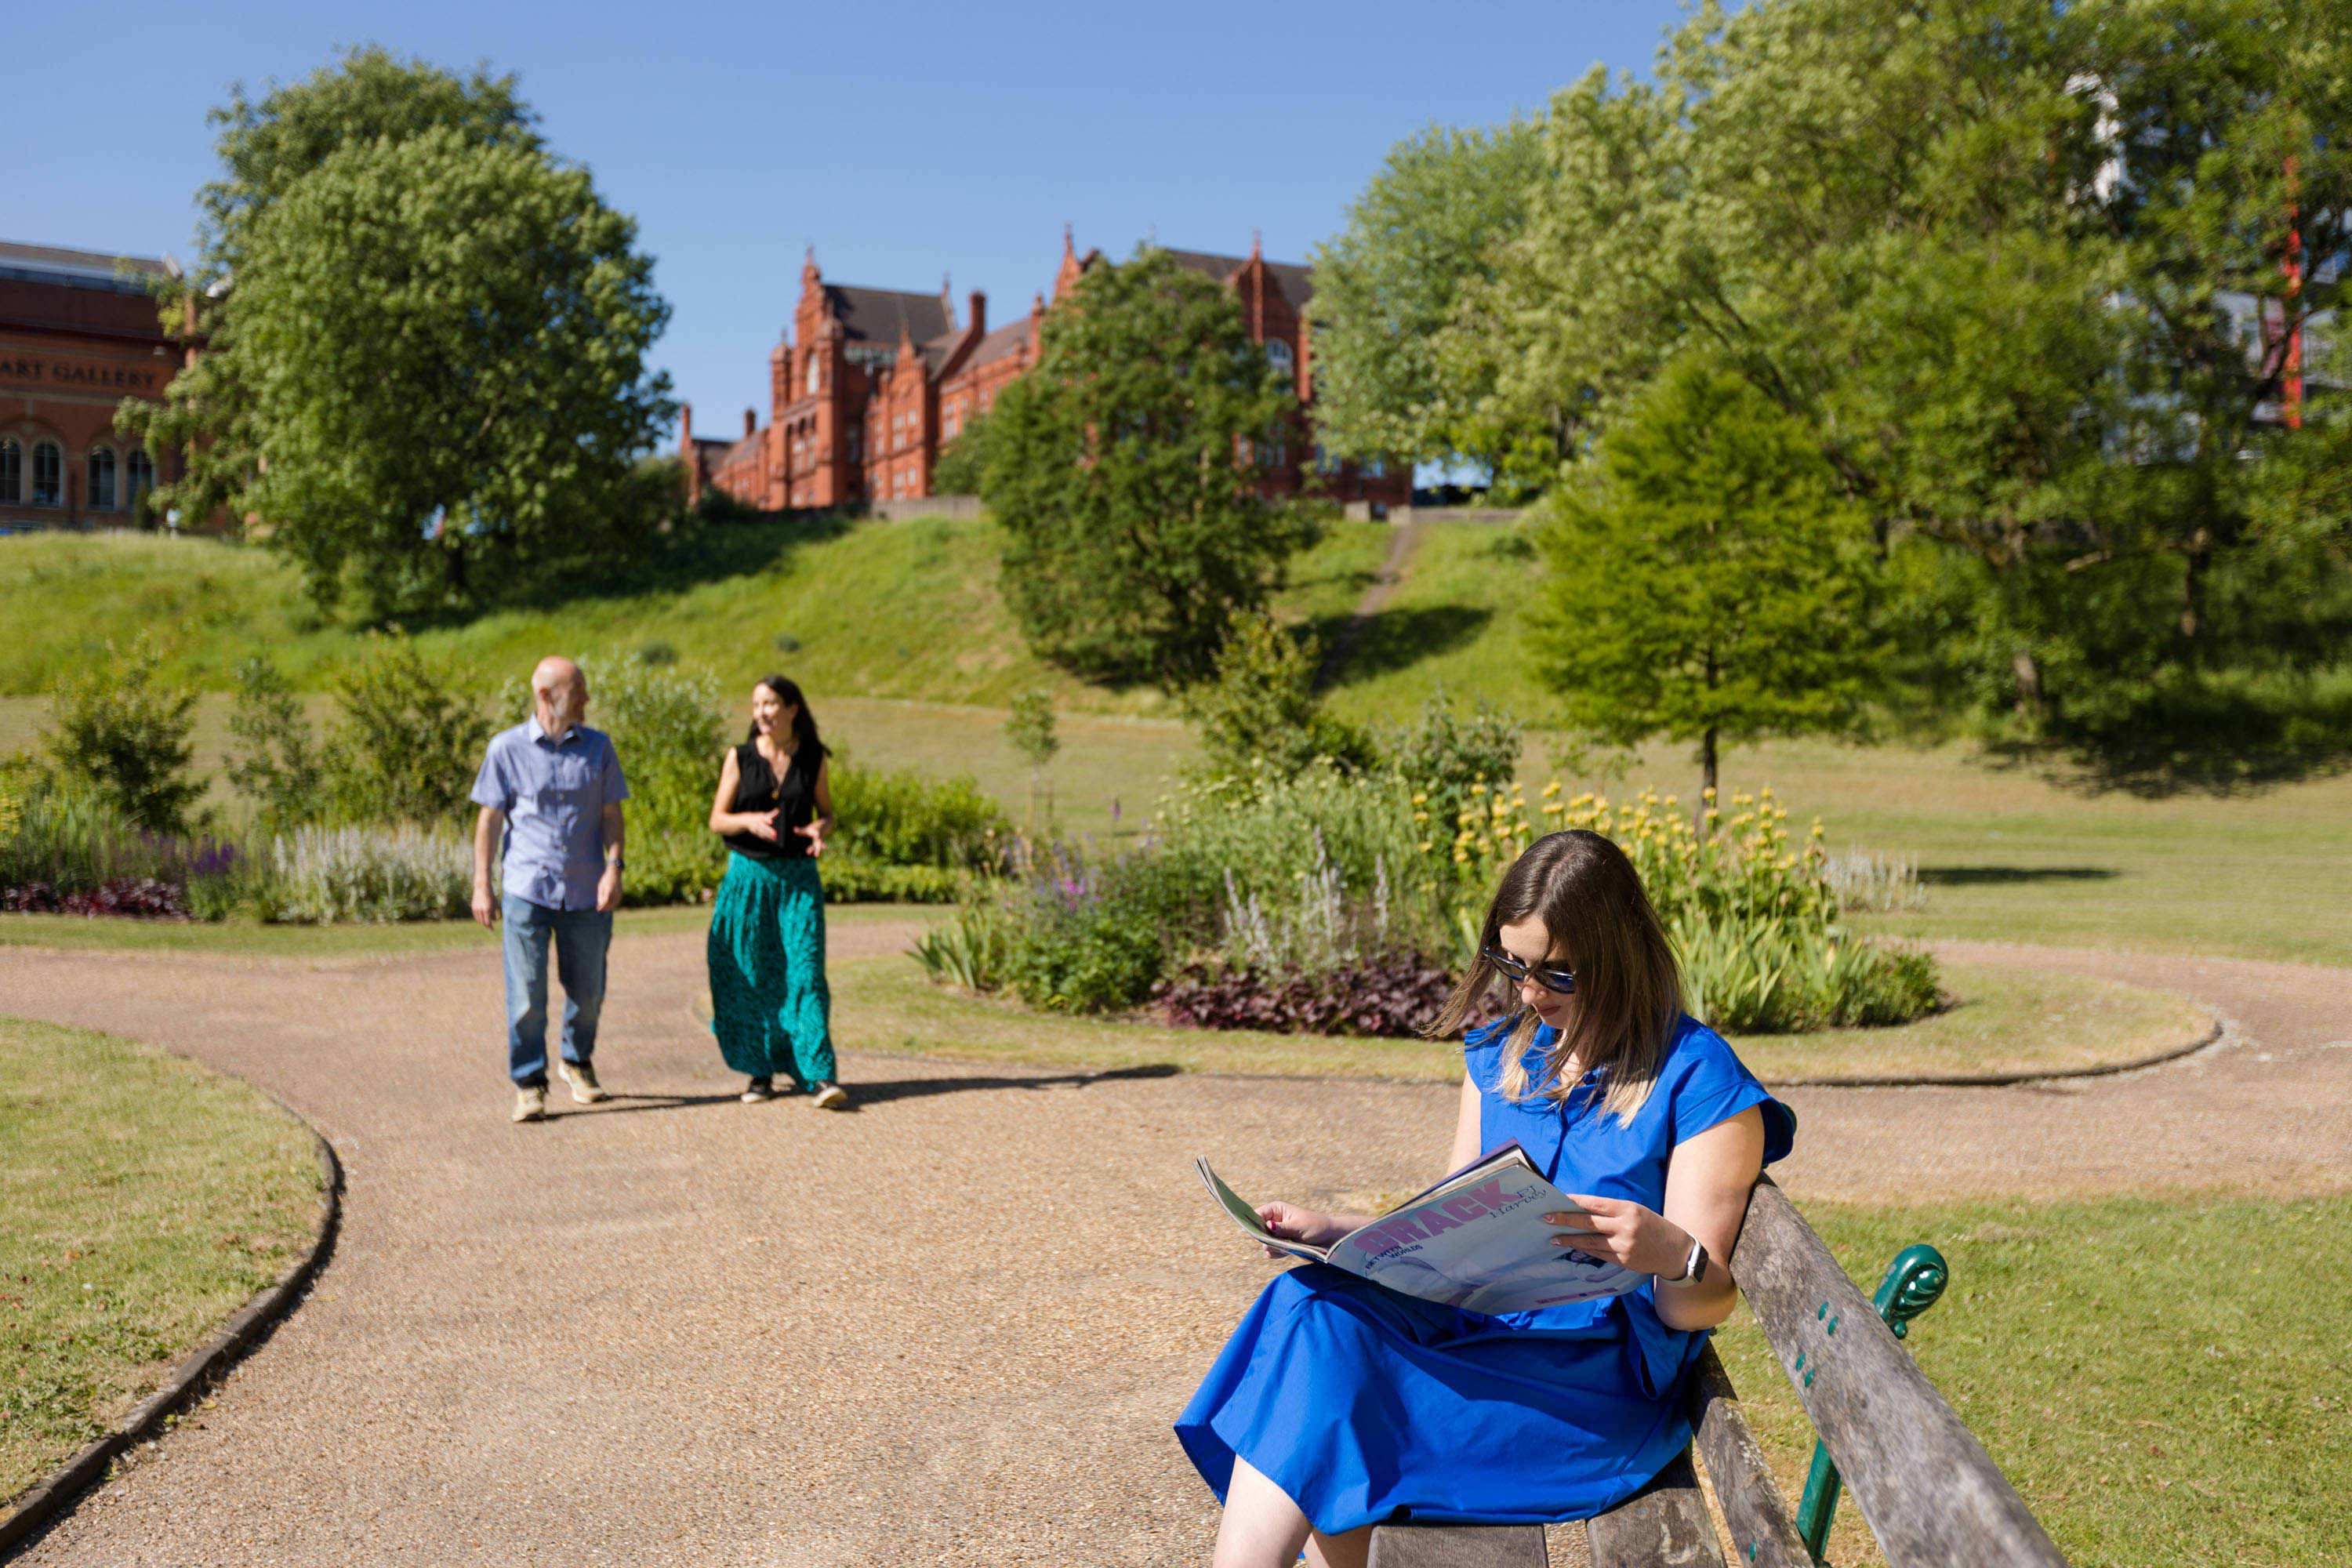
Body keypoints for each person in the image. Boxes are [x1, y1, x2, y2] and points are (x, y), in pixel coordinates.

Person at [1177, 829, 1796, 1568]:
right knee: (1312, 1307)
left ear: (1618, 957)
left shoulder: (1699, 1080)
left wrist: (1673, 1252)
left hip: (1589, 1392)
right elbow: (1452, 1223)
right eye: (1513, 963)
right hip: (1474, 1335)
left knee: (1328, 1383)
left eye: (1557, 973)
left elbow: (1696, 1305)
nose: (1530, 992)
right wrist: (1337, 1231)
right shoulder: (1504, 1054)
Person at [469, 656, 629, 1124]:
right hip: (526, 890)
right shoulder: (506, 748)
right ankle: (530, 1084)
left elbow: (611, 815)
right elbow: (490, 819)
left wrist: (614, 867)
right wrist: (482, 884)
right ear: (546, 696)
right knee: (526, 996)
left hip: (587, 890)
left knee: (589, 991)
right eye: (577, 689)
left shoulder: (599, 748)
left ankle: (577, 1063)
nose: (585, 698)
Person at [705, 675, 848, 1109]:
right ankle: (760, 1073)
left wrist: (821, 829)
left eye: (770, 704)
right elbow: (717, 819)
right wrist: (747, 821)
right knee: (753, 975)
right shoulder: (740, 756)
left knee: (805, 972)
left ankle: (820, 1076)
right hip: (748, 880)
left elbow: (827, 813)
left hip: (799, 881)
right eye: (756, 704)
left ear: (792, 709)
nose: (761, 712)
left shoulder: (813, 758)